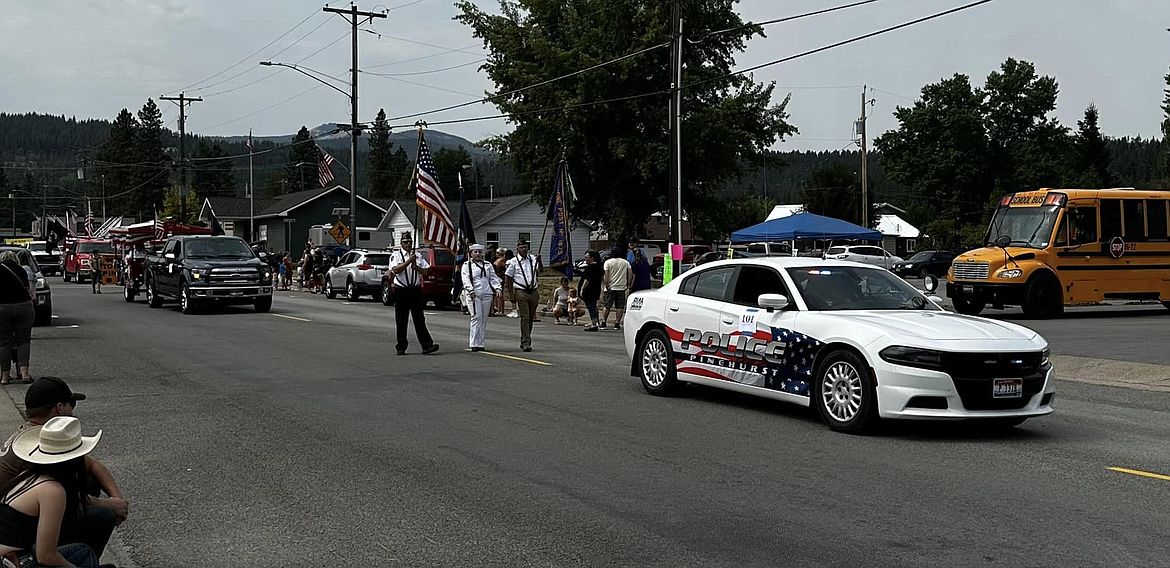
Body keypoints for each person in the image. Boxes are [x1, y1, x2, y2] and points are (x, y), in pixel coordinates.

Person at [0, 378, 126, 561]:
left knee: (89, 481)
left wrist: (117, 499)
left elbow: (92, 465)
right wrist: (108, 505)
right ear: (59, 408)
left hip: (18, 518)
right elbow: (53, 498)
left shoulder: (39, 436)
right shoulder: (39, 450)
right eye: (71, 404)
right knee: (103, 516)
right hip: (14, 538)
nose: (73, 412)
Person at [0, 416, 104, 568]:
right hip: (15, 561)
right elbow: (46, 557)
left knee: (83, 551)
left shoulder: (28, 477)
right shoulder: (53, 491)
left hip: (13, 556)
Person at [389, 234, 439, 355]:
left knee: (419, 318)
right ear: (401, 243)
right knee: (402, 319)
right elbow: (395, 270)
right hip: (402, 289)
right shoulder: (396, 255)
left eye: (410, 242)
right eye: (406, 242)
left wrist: (416, 267)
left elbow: (426, 271)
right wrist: (408, 262)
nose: (409, 244)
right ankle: (401, 346)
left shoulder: (418, 255)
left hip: (415, 289)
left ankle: (426, 345)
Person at [0, 251, 34, 385]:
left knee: (4, 342)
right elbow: (26, 287)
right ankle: (25, 374)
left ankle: (5, 376)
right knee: (23, 341)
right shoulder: (21, 270)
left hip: (2, 307)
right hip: (23, 306)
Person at [461, 244, 502, 352]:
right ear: (471, 253)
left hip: (486, 293)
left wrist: (497, 288)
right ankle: (474, 343)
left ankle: (480, 343)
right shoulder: (467, 265)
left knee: (484, 318)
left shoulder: (488, 265)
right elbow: (465, 279)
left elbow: (493, 278)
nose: (478, 254)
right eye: (475, 252)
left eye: (479, 252)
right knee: (476, 317)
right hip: (474, 294)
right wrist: (470, 289)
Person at [504, 239, 541, 352]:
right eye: (521, 248)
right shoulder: (513, 262)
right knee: (525, 317)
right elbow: (508, 278)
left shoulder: (533, 259)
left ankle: (524, 338)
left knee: (530, 318)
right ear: (517, 249)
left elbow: (541, 271)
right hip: (521, 291)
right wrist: (511, 294)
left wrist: (540, 261)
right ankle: (526, 342)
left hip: (533, 291)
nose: (524, 249)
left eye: (525, 247)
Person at [601, 246, 633, 330]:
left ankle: (604, 322)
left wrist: (606, 284)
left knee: (607, 305)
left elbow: (606, 274)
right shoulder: (625, 262)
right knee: (620, 306)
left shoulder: (608, 262)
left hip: (610, 287)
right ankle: (617, 323)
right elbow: (630, 274)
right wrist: (628, 284)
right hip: (621, 287)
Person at [578, 250, 603, 332]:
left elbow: (587, 279)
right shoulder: (598, 267)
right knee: (593, 307)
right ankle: (596, 322)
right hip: (595, 290)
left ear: (592, 258)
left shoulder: (591, 268)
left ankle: (594, 324)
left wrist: (582, 289)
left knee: (591, 307)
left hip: (589, 291)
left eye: (587, 257)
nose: (586, 259)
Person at [492, 248, 508, 317]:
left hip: (500, 278)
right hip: (496, 278)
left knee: (500, 294)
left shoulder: (501, 260)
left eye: (497, 253)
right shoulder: (497, 260)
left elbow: (497, 267)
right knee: (496, 294)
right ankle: (496, 308)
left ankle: (500, 310)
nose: (496, 254)